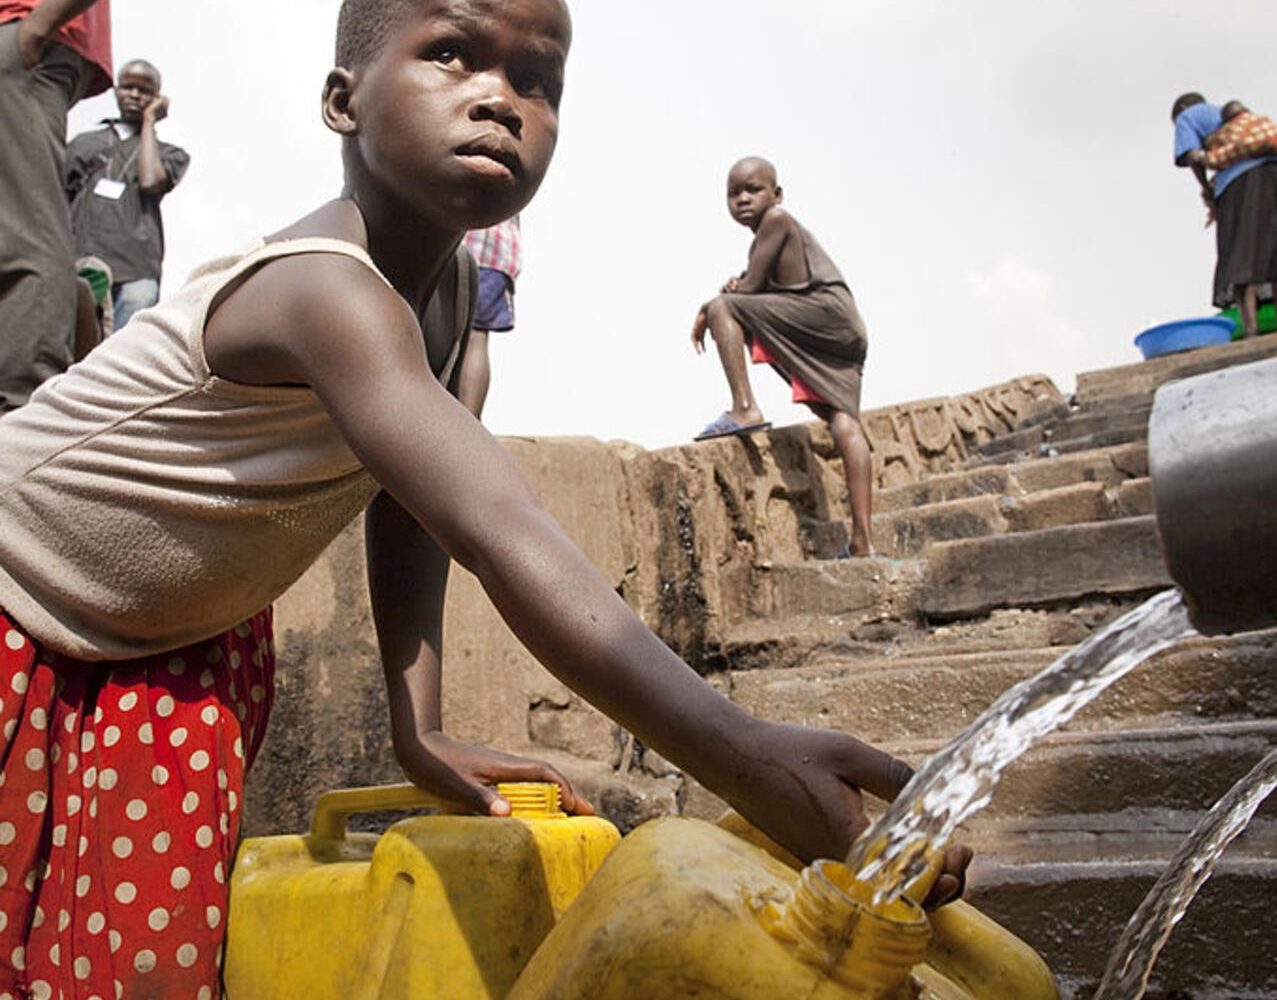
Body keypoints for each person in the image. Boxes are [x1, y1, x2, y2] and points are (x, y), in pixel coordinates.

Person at [0, 1, 969, 995]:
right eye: (452, 55)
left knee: (141, 967)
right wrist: (746, 755)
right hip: (16, 603)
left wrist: (415, 724)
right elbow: (499, 526)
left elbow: (407, 496)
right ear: (342, 101)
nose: (499, 102)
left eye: (536, 81)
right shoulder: (321, 291)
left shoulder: (450, 292)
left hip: (166, 649)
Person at [690, 156, 876, 557]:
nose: (742, 199)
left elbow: (749, 290)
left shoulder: (777, 219)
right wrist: (741, 287)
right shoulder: (769, 234)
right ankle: (862, 541)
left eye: (752, 190)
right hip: (844, 327)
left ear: (776, 194)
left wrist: (712, 306)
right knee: (844, 420)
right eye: (733, 193)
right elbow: (757, 287)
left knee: (722, 308)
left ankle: (744, 409)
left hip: (823, 314)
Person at [0, 0, 112, 413]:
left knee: (25, 239)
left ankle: (20, 413)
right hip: (24, 37)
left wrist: (37, 26)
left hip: (23, 34)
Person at [66, 58, 191, 331]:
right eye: (127, 87)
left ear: (157, 98)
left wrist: (149, 121)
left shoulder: (170, 153)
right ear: (116, 90)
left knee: (122, 355)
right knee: (73, 348)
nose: (134, 95)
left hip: (136, 269)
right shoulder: (83, 143)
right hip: (80, 259)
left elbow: (150, 181)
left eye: (144, 90)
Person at [1172, 92, 1277, 338]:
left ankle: (1251, 331)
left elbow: (1192, 157)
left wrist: (1206, 188)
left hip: (1242, 180)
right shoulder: (1238, 117)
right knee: (1276, 252)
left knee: (1240, 254)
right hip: (1276, 170)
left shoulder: (1187, 116)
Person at [458, 214, 521, 417]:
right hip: (493, 250)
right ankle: (469, 427)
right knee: (475, 337)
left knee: (424, 329)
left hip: (459, 242)